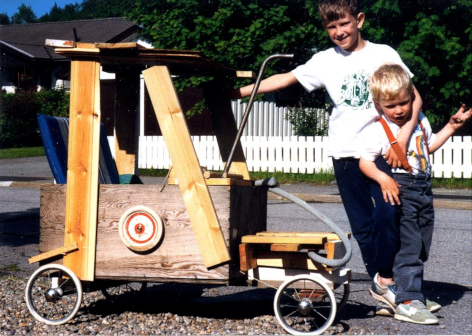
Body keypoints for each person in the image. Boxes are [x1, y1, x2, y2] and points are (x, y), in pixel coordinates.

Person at [231, 0, 423, 311]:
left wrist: (401, 136)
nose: (338, 32)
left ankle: (389, 277)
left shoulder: (383, 54)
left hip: (382, 151)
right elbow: (284, 78)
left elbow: (414, 96)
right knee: (362, 225)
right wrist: (238, 92)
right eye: (331, 27)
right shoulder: (324, 61)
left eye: (344, 24)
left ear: (358, 20)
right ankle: (383, 286)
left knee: (392, 214)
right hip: (345, 152)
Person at [359, 63, 472, 324]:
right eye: (391, 106)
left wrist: (451, 128)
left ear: (412, 97)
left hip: (424, 188)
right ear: (379, 105)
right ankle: (408, 300)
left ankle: (410, 293)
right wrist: (383, 177)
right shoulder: (378, 129)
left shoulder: (419, 120)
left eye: (404, 102)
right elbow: (365, 162)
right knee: (409, 245)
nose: (399, 110)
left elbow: (427, 148)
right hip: (403, 190)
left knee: (421, 245)